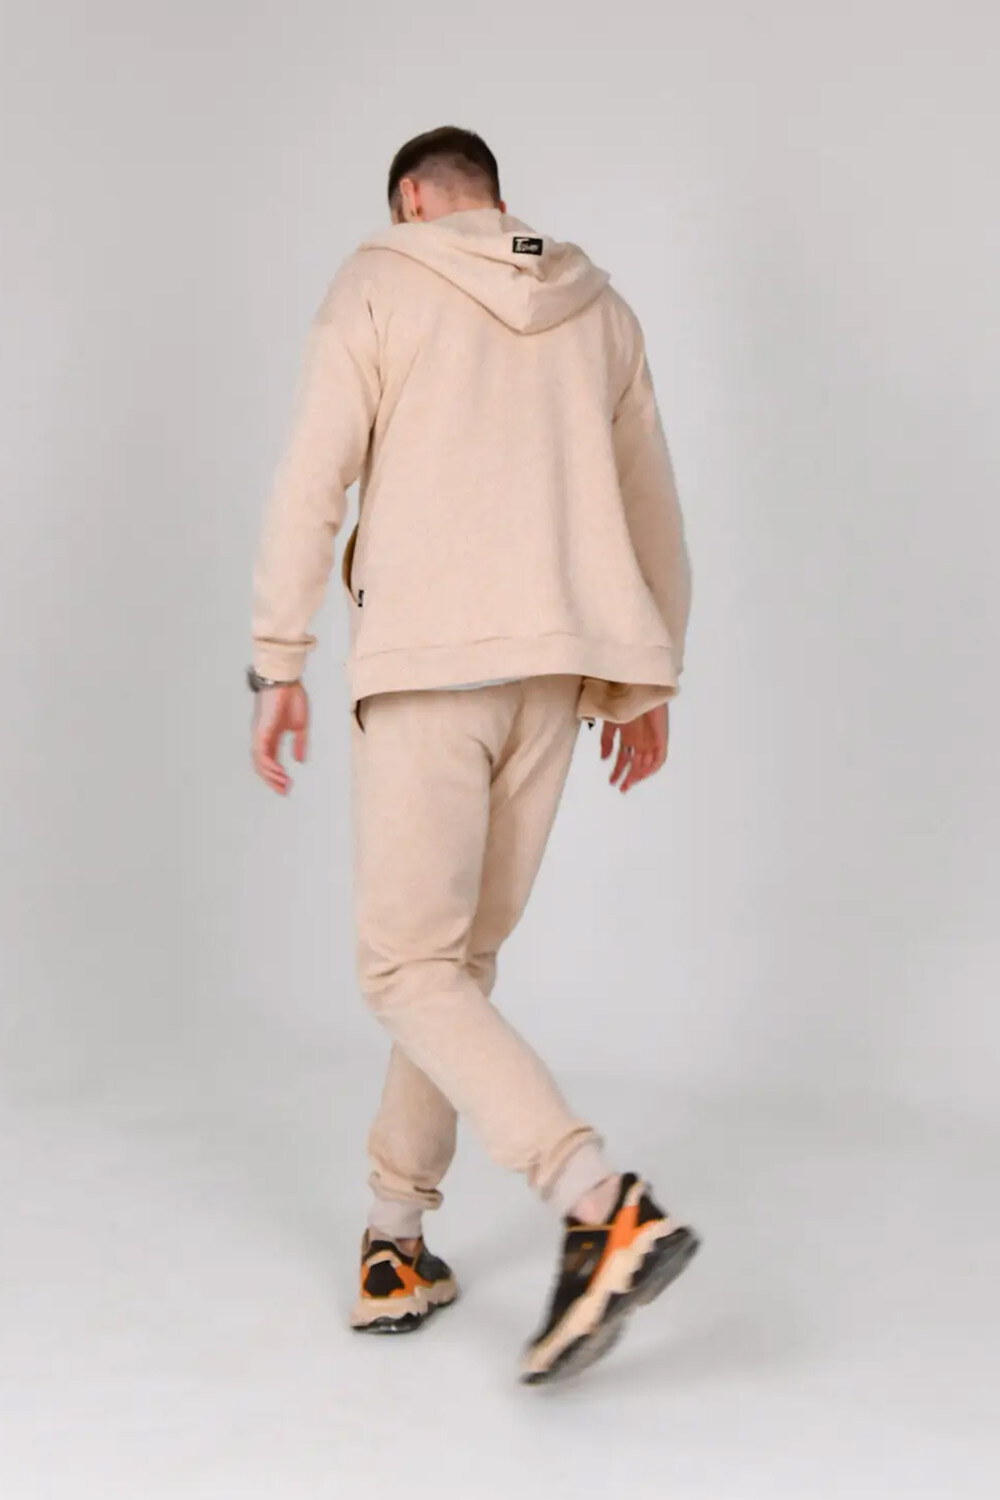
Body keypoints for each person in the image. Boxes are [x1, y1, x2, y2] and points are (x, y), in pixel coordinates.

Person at [248, 126, 698, 1384]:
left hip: (428, 666)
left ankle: (597, 1200)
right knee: (455, 968)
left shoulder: (378, 279)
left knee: (407, 969)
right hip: (554, 676)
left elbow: (311, 480)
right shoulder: (597, 307)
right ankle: (395, 1237)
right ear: (491, 195)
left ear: (411, 198)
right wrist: (646, 673)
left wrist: (276, 660)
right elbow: (651, 503)